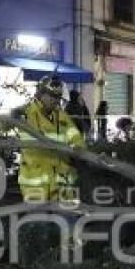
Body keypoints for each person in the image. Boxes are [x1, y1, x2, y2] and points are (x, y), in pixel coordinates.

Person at [14, 75, 85, 203]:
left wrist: (78, 148)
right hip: (36, 184)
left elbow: (74, 135)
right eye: (52, 96)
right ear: (41, 94)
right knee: (39, 221)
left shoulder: (61, 115)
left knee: (68, 218)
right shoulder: (28, 113)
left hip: (62, 183)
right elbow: (2, 125)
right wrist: (11, 114)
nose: (56, 100)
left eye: (58, 97)